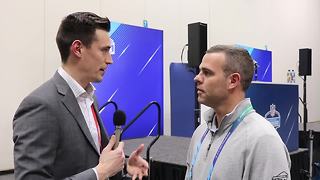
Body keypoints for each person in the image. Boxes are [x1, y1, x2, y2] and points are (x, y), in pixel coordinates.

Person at [13, 12, 148, 180]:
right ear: (78, 49)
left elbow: (93, 161)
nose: (110, 60)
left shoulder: (90, 98)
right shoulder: (41, 105)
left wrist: (122, 167)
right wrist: (100, 173)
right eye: (104, 50)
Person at [185, 45, 291, 180]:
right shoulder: (200, 132)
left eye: (207, 72)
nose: (197, 78)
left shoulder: (263, 140)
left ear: (233, 81)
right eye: (200, 72)